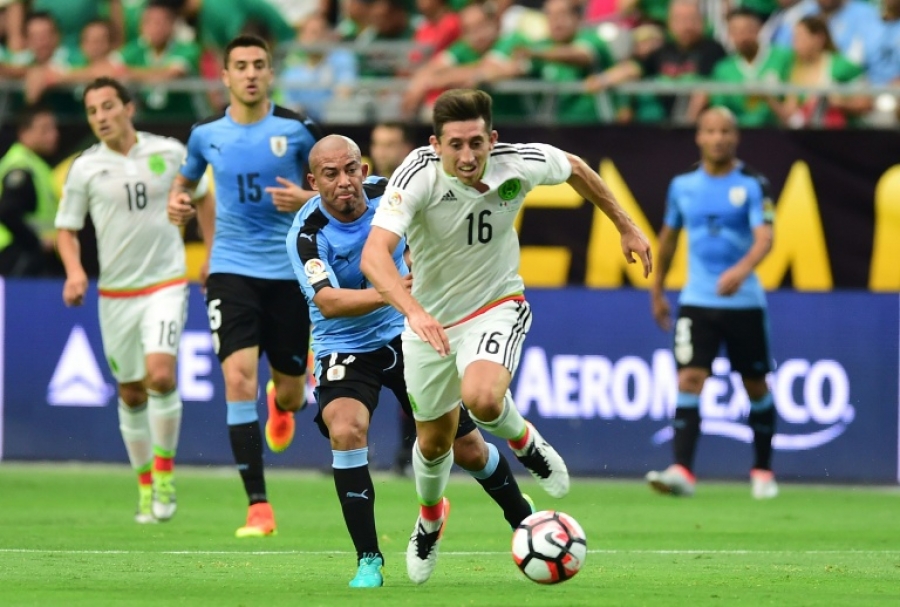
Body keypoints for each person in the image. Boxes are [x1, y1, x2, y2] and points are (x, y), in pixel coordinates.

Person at [360, 88, 653, 584]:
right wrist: (414, 313)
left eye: (476, 142)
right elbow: (374, 257)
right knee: (433, 443)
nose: (467, 155)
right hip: (429, 319)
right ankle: (430, 518)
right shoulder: (417, 175)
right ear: (435, 145)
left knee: (482, 398)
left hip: (496, 305)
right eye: (455, 144)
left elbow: (576, 168)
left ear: (492, 139)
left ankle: (525, 441)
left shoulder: (518, 162)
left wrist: (625, 225)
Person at [287, 134, 537, 588]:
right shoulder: (306, 234)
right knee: (346, 428)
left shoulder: (392, 194)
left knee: (469, 449)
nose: (344, 182)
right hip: (344, 345)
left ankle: (526, 521)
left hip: (408, 335)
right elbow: (329, 302)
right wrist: (393, 290)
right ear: (313, 181)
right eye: (330, 174)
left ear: (364, 170)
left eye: (351, 170)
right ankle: (368, 560)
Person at [167, 34, 320, 538]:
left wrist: (305, 197)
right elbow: (186, 183)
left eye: (259, 64)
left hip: (289, 273)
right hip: (231, 271)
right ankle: (258, 506)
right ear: (226, 76)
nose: (250, 73)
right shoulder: (205, 134)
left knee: (293, 392)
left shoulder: (297, 130)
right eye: (241, 65)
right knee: (237, 380)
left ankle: (283, 400)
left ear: (270, 73)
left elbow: (337, 191)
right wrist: (177, 204)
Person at [55, 77, 211, 523]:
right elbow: (66, 229)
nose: (101, 117)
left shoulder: (169, 151)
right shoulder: (85, 167)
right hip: (116, 293)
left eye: (108, 106)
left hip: (165, 282)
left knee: (160, 375)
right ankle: (144, 485)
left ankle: (164, 474)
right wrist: (75, 271)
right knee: (130, 390)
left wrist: (211, 252)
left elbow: (203, 197)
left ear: (128, 108)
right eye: (92, 111)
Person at [645, 106, 779, 501]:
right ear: (699, 137)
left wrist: (742, 269)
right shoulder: (682, 185)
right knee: (689, 378)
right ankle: (682, 471)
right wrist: (657, 291)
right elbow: (669, 239)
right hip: (697, 300)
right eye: (710, 131)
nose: (718, 138)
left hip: (744, 302)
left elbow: (766, 237)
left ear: (736, 137)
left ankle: (763, 470)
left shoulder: (753, 184)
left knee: (755, 385)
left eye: (725, 131)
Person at [367, 121, 417, 475]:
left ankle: (407, 455)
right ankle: (354, 451)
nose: (383, 150)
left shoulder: (416, 187)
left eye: (390, 143)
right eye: (378, 143)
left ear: (405, 148)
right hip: (367, 295)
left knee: (412, 379)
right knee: (353, 376)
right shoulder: (359, 192)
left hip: (410, 294)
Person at [0, 106, 59, 277]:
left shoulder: (36, 164)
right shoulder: (21, 166)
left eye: (54, 128)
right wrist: (37, 241)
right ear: (24, 133)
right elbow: (7, 211)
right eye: (45, 129)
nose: (54, 135)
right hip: (16, 254)